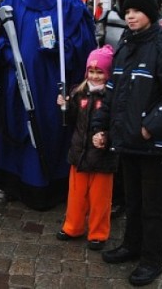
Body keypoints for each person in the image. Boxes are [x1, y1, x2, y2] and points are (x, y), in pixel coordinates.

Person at [0, 0, 97, 211]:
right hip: (19, 83)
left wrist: (61, 50)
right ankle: (13, 183)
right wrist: (10, 55)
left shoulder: (69, 6)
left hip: (52, 85)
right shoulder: (13, 2)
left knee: (49, 131)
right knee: (18, 130)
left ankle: (50, 186)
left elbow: (85, 45)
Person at [92, 0, 162, 286]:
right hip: (127, 140)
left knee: (151, 203)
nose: (130, 16)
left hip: (152, 143)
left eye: (136, 11)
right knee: (132, 199)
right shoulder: (125, 45)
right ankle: (131, 245)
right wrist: (102, 126)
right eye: (127, 12)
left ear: (150, 13)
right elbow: (112, 93)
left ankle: (151, 259)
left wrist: (149, 128)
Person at [55, 44, 117, 251]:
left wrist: (107, 137)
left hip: (102, 157)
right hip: (79, 153)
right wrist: (65, 105)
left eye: (100, 72)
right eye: (91, 71)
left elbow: (117, 124)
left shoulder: (112, 97)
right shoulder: (79, 92)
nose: (95, 76)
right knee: (76, 194)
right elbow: (72, 119)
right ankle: (73, 227)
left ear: (107, 73)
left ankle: (98, 233)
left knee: (100, 199)